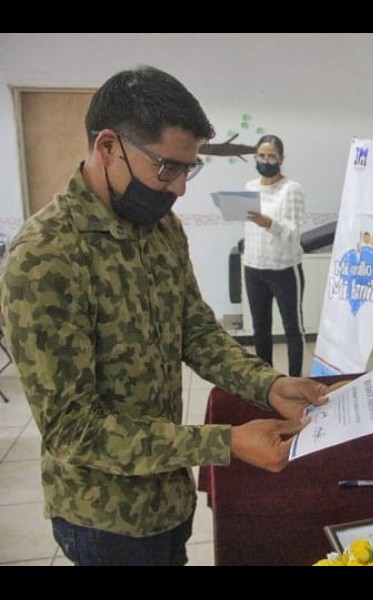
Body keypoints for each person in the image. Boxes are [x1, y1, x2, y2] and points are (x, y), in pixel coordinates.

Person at [0, 66, 328, 566]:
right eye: (167, 168)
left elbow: (195, 330)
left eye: (187, 170)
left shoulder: (159, 228)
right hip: (105, 518)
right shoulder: (46, 256)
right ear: (108, 147)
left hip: (169, 496)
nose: (178, 190)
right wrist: (224, 442)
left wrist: (268, 385)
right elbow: (74, 430)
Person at [244, 134, 307, 377]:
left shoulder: (292, 189)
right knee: (260, 328)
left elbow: (293, 233)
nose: (266, 161)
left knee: (293, 328)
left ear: (281, 159)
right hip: (253, 267)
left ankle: (295, 381)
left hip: (284, 269)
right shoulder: (250, 187)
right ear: (255, 157)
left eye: (271, 156)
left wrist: (269, 223)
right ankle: (267, 382)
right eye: (261, 156)